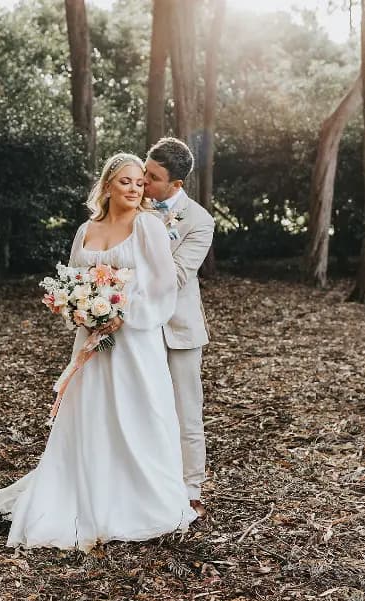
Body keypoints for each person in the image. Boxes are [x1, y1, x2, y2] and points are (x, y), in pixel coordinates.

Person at [0, 153, 197, 552]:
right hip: (91, 342)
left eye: (140, 183)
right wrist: (82, 311)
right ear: (107, 186)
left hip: (134, 341)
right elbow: (73, 280)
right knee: (91, 415)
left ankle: (143, 499)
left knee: (138, 413)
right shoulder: (87, 229)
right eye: (125, 182)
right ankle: (84, 490)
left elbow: (163, 286)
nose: (135, 189)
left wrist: (124, 313)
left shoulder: (148, 227)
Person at [144, 137, 215, 518]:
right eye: (144, 170)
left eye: (153, 178)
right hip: (136, 328)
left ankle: (191, 488)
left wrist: (146, 237)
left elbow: (179, 275)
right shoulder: (131, 206)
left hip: (180, 330)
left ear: (176, 185)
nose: (143, 181)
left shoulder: (200, 220)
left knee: (186, 410)